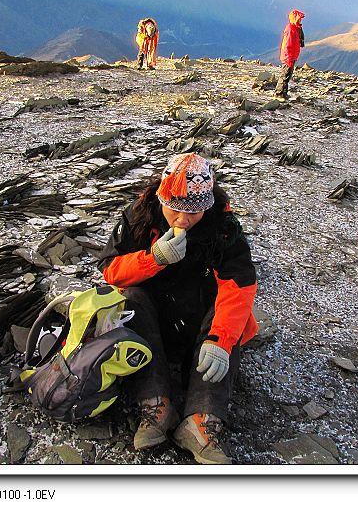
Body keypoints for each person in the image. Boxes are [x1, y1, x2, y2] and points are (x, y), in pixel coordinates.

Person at [97, 153, 258, 464]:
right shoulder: (140, 216)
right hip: (154, 320)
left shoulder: (224, 228)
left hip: (202, 323)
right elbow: (111, 270)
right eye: (176, 209)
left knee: (229, 318)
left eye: (194, 212)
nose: (184, 220)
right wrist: (152, 258)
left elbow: (239, 287)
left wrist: (221, 342)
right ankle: (156, 404)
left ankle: (201, 421)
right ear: (162, 197)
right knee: (131, 297)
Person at [275, 9, 305, 100]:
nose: (300, 21)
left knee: (287, 75)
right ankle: (279, 94)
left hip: (291, 56)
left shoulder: (295, 28)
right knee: (285, 75)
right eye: (299, 19)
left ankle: (283, 93)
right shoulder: (291, 29)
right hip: (289, 56)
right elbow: (287, 45)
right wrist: (289, 58)